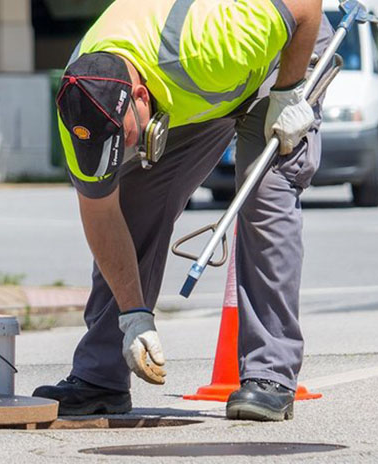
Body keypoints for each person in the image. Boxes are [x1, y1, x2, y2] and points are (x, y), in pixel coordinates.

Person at [33, 0, 333, 421]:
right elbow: (101, 213)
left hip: (275, 62)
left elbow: (305, 6)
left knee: (264, 193)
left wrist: (288, 94)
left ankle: (270, 375)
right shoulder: (82, 103)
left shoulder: (215, 43)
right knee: (133, 204)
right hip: (192, 93)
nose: (130, 150)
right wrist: (134, 318)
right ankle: (101, 377)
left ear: (139, 96)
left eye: (129, 137)